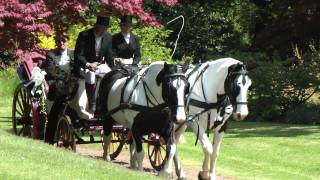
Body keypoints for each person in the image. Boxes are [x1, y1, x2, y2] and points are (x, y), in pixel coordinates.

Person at [74, 16, 113, 113]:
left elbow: (109, 56)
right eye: (102, 28)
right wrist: (87, 64)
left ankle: (104, 101)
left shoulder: (108, 37)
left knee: (111, 74)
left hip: (98, 65)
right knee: (91, 75)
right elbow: (78, 55)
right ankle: (92, 103)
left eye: (105, 28)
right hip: (84, 65)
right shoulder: (84, 35)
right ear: (96, 26)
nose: (103, 31)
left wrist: (115, 68)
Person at [41, 33, 73, 109]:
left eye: (63, 41)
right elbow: (51, 72)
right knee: (60, 84)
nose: (61, 43)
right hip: (55, 80)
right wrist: (65, 77)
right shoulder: (51, 54)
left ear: (67, 42)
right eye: (58, 41)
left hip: (70, 79)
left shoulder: (73, 54)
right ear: (56, 43)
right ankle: (58, 107)